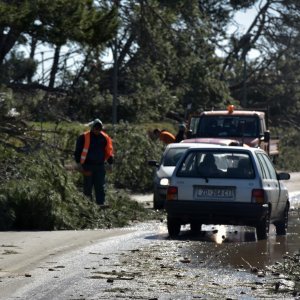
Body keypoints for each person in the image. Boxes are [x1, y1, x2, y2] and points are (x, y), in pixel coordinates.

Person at [74, 118, 114, 206]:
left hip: (100, 167)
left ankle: (101, 205)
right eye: (96, 129)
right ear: (92, 128)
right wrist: (79, 164)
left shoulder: (105, 138)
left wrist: (110, 163)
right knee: (87, 188)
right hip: (87, 166)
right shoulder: (83, 137)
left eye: (99, 129)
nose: (97, 131)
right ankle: (87, 206)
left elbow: (109, 151)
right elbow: (78, 151)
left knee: (100, 187)